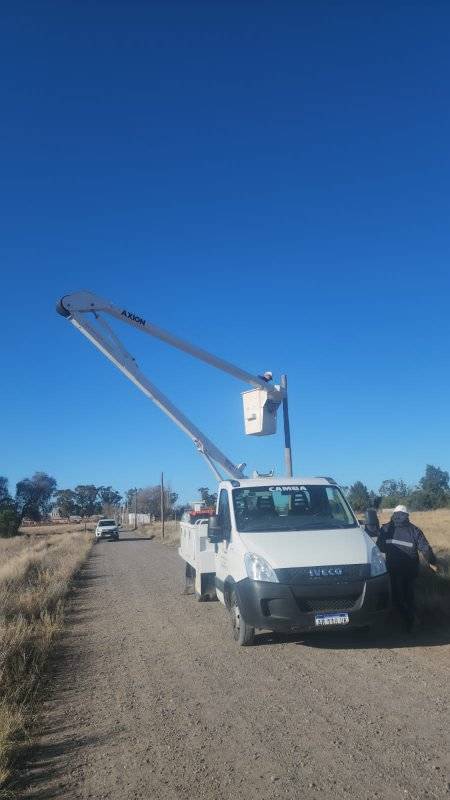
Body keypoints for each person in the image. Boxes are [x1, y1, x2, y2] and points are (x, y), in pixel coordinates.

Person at [377, 505, 438, 632]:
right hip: (410, 569)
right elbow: (425, 549)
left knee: (396, 596)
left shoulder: (385, 529)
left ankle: (401, 620)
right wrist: (433, 562)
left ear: (394, 515)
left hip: (393, 568)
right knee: (409, 595)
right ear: (407, 515)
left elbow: (380, 547)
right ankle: (411, 620)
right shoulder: (414, 530)